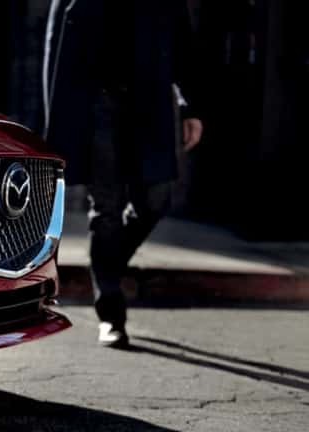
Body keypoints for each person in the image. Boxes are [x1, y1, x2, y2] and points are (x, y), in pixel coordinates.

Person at [43, 0, 204, 348]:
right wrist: (60, 120)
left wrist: (191, 107)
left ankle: (107, 268)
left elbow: (181, 41)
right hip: (98, 106)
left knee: (156, 199)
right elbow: (56, 46)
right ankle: (111, 314)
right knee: (107, 210)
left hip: (149, 103)